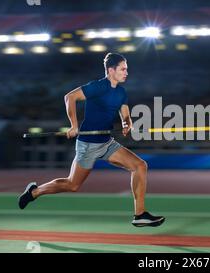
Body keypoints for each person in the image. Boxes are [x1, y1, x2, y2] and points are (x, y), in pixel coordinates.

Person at [18, 52, 165, 227]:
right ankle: (34, 192)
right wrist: (73, 125)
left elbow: (124, 114)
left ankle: (140, 215)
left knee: (140, 166)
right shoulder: (98, 87)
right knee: (72, 185)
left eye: (127, 69)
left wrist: (127, 124)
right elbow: (69, 97)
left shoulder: (121, 92)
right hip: (88, 145)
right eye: (123, 69)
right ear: (111, 70)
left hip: (107, 142)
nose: (126, 72)